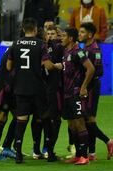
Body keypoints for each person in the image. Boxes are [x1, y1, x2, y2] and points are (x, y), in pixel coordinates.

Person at [6, 18, 62, 164]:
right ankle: (49, 153)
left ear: (24, 29)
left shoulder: (16, 43)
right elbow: (48, 66)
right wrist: (57, 66)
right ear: (36, 30)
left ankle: (18, 154)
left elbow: (8, 66)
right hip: (37, 88)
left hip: (21, 88)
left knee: (21, 120)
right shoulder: (41, 45)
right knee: (45, 118)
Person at [78, 22, 113, 160]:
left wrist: (85, 82)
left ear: (89, 34)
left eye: (82, 32)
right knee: (89, 119)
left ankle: (109, 141)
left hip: (91, 87)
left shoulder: (94, 50)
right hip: (89, 86)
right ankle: (92, 153)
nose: (79, 34)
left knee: (88, 119)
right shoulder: (88, 47)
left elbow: (99, 70)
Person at [60, 27, 95, 165]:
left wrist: (83, 87)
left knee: (80, 123)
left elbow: (90, 68)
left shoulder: (78, 52)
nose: (61, 38)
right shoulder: (65, 51)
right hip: (67, 93)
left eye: (63, 36)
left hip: (76, 93)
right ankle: (77, 155)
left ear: (70, 38)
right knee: (72, 124)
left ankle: (84, 157)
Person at [31, 25, 64, 161]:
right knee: (40, 119)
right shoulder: (41, 47)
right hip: (41, 89)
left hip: (54, 88)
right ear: (45, 35)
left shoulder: (59, 47)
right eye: (48, 33)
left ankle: (47, 148)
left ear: (58, 35)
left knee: (51, 120)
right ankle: (38, 149)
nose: (50, 35)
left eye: (53, 33)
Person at [0, 49, 17, 161]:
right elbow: (9, 67)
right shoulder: (17, 48)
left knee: (20, 116)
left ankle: (6, 147)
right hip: (3, 87)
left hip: (11, 87)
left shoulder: (16, 46)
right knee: (2, 117)